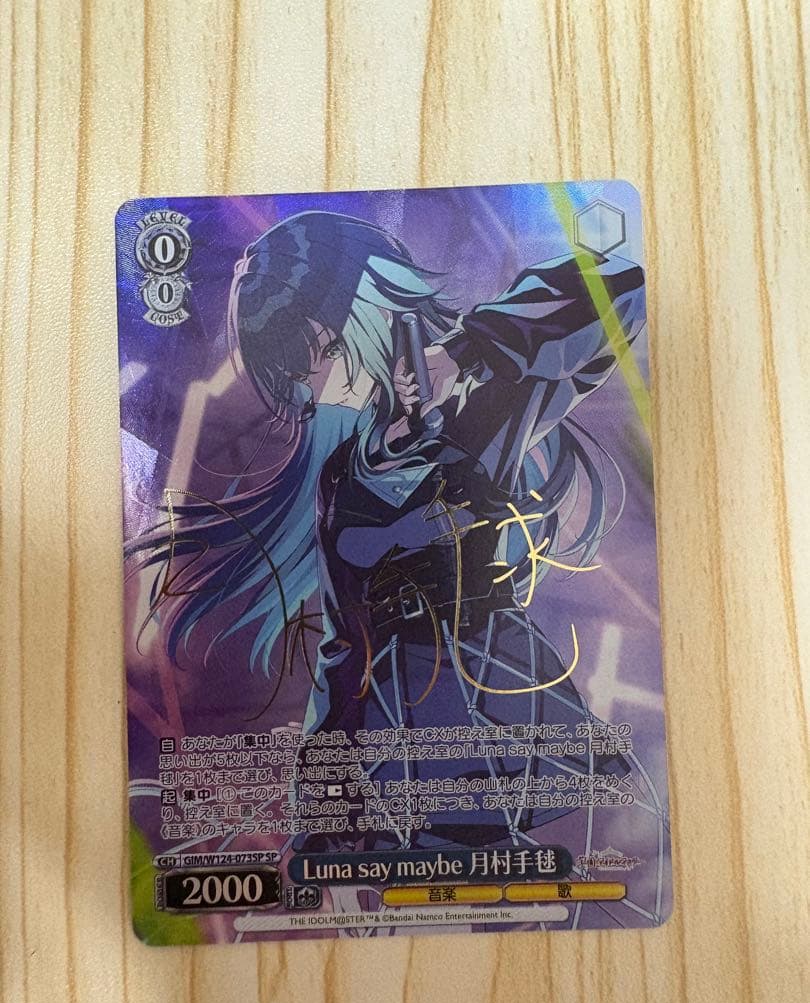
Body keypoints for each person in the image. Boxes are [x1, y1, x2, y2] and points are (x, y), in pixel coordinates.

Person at [132, 210, 646, 852]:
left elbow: (619, 289)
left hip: (501, 723)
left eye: (324, 352)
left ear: (376, 308)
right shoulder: (341, 475)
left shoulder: (482, 405)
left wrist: (464, 350)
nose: (319, 390)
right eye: (299, 378)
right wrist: (321, 808)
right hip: (395, 763)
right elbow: (344, 646)